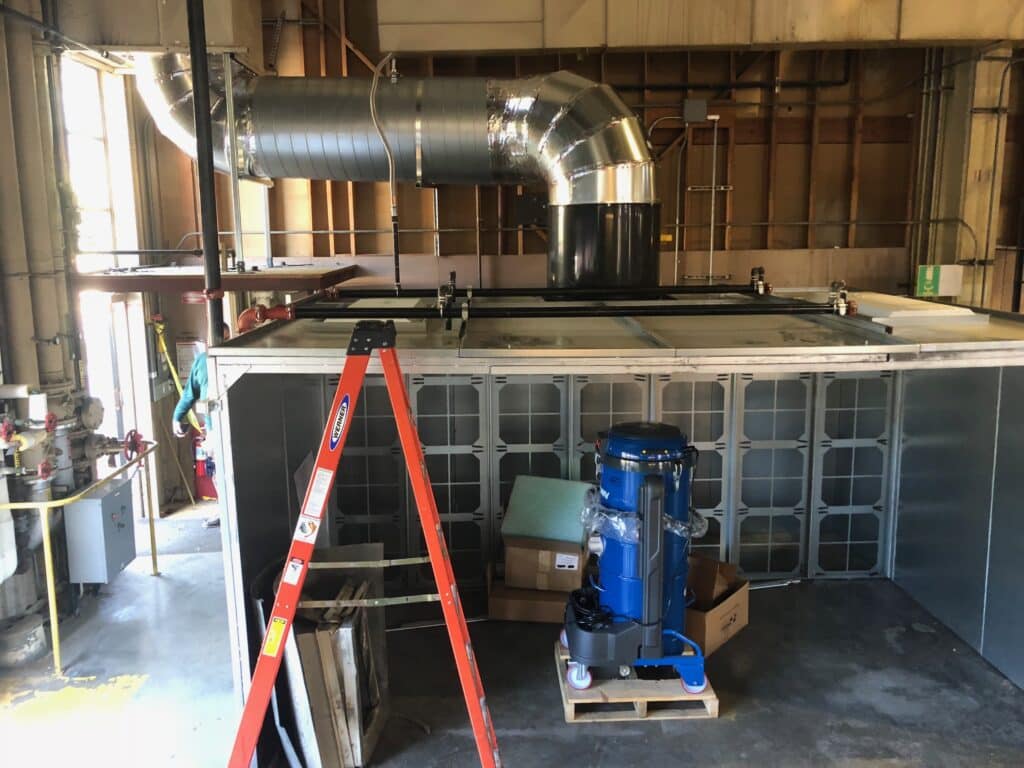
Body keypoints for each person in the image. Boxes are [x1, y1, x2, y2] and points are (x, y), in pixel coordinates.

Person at [173, 324, 230, 527]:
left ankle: (233, 510)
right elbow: (189, 394)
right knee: (218, 473)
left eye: (224, 338)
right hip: (215, 428)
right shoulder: (201, 363)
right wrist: (177, 417)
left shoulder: (234, 360)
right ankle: (225, 511)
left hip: (234, 426)